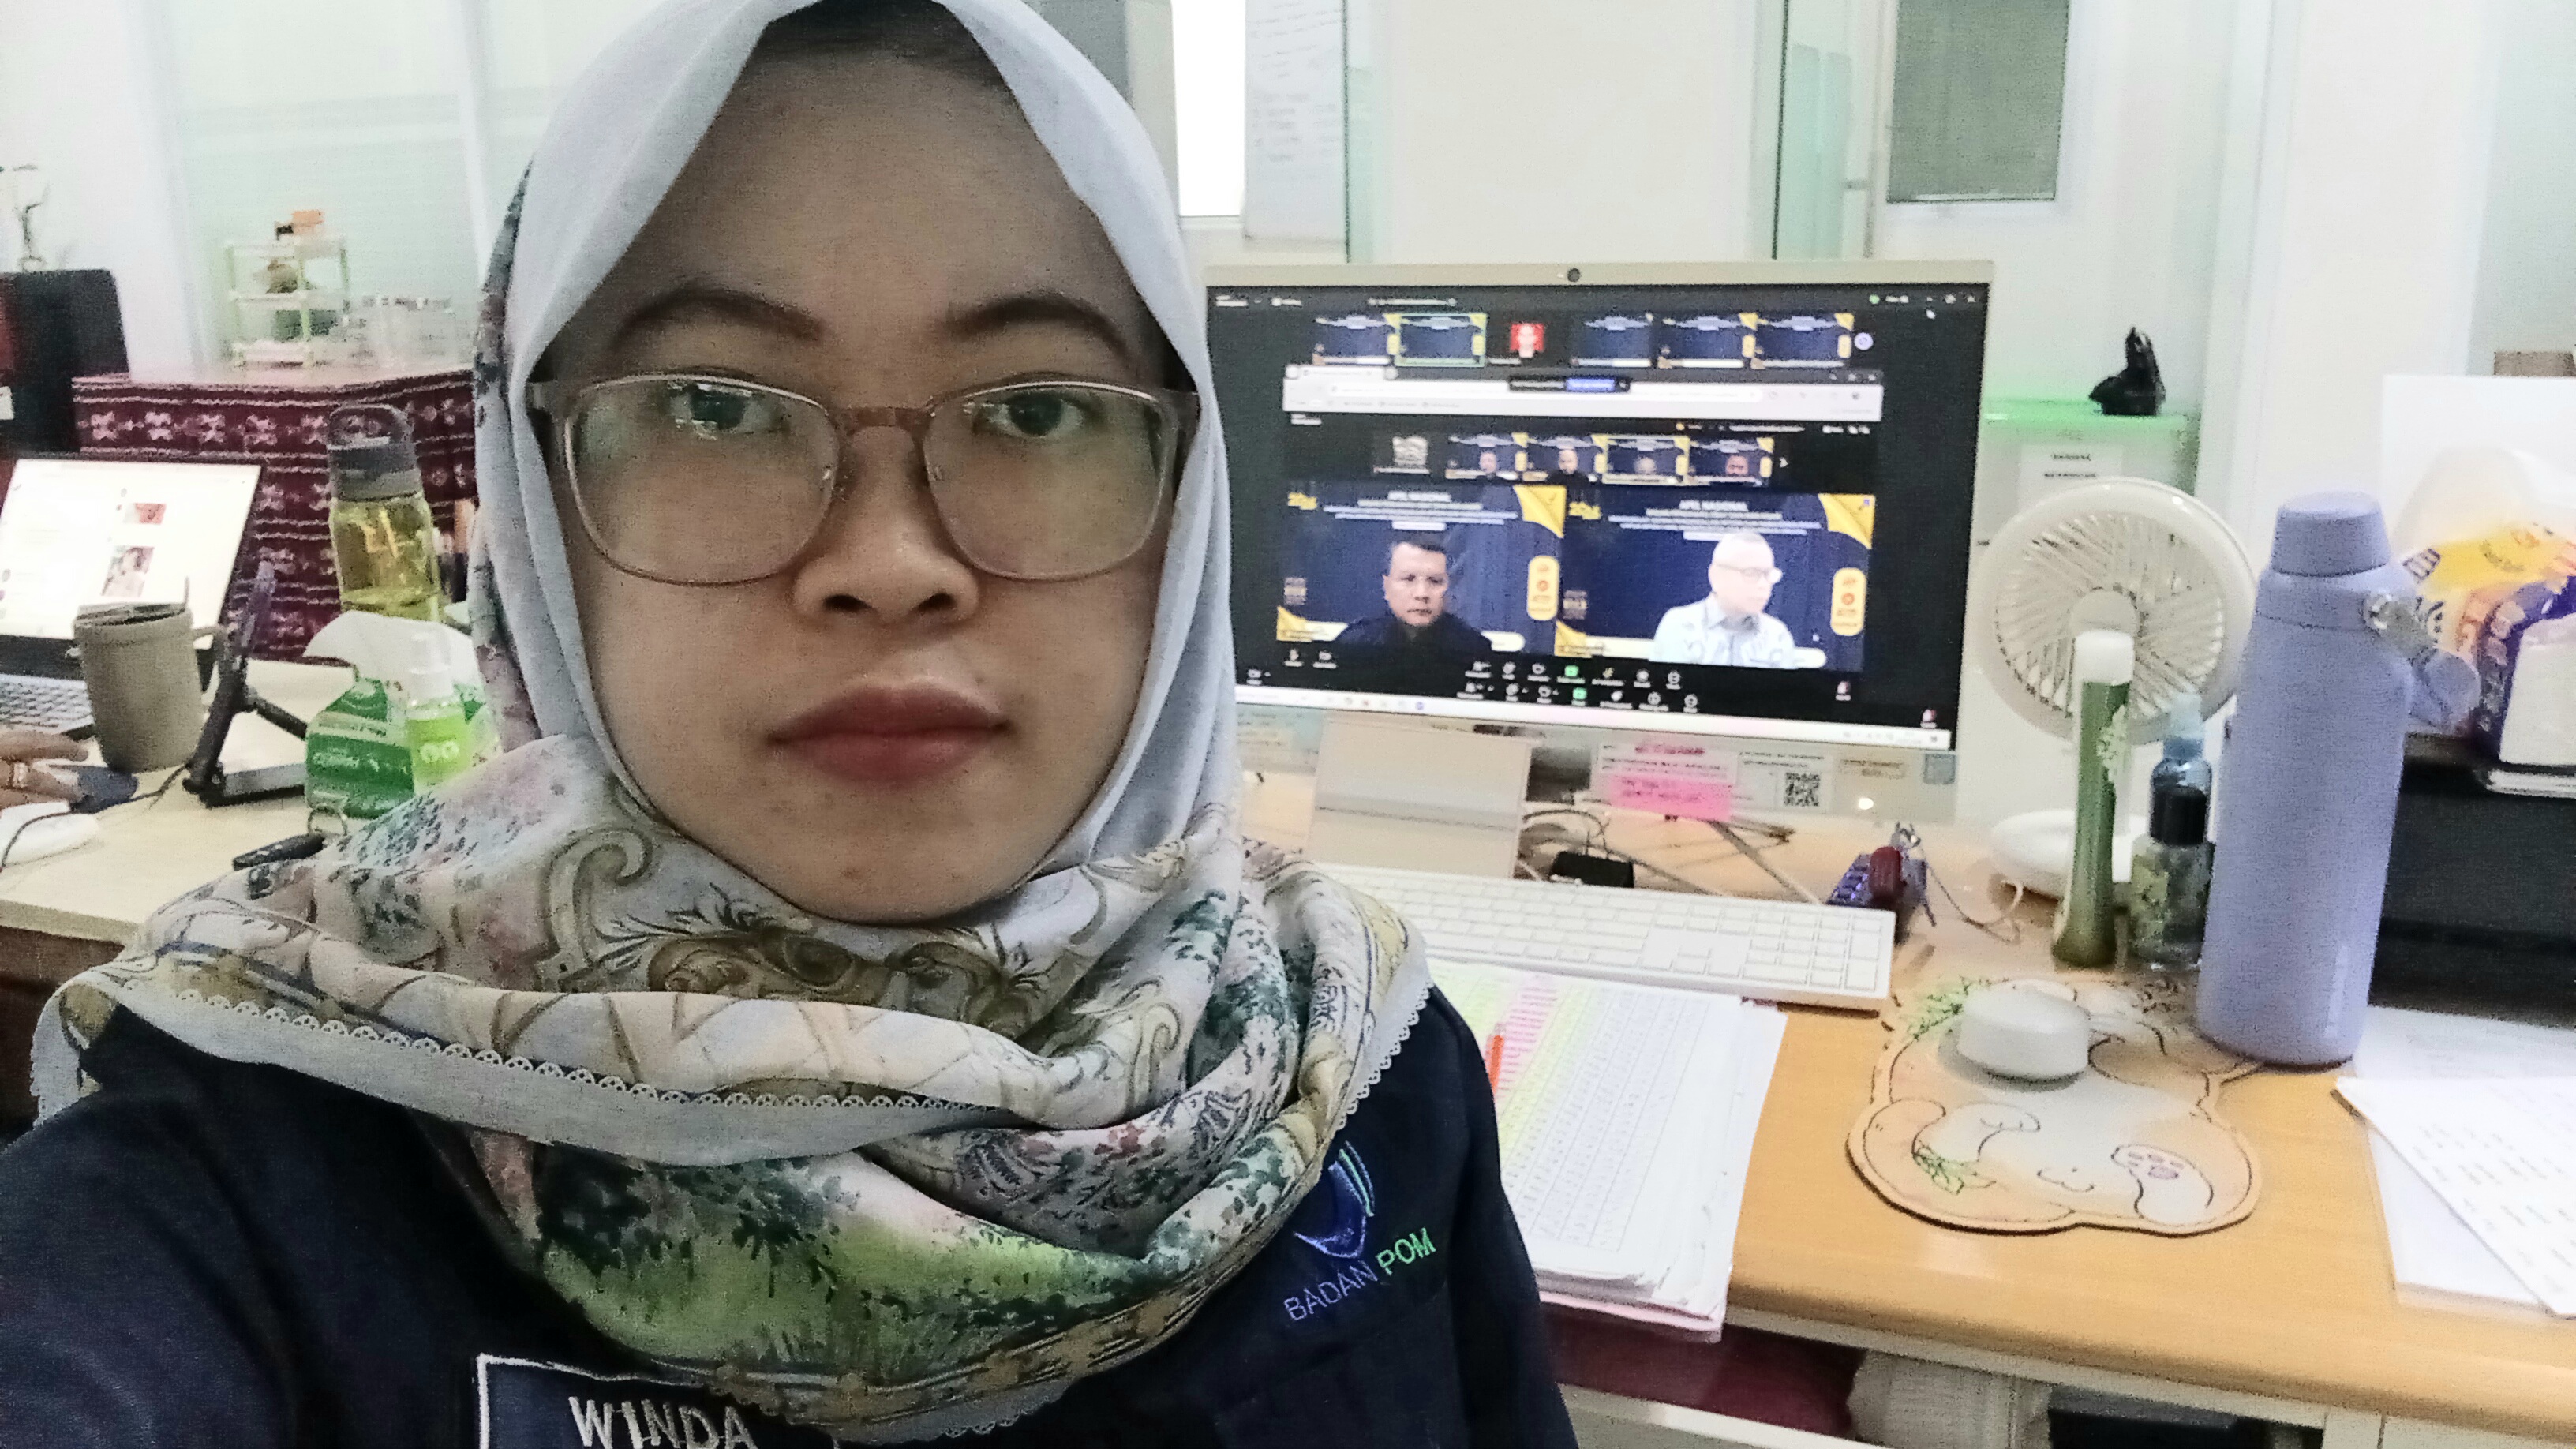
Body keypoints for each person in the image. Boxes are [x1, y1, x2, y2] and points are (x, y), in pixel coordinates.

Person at [0, 4, 1573, 1445]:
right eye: (715, 405)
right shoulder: (269, 1137)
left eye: (1036, 408)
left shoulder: (1341, 1056)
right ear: (533, 497)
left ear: (1187, 495)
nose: (885, 563)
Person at [1649, 531, 1799, 668]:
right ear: (1717, 576)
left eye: (1769, 574)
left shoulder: (1777, 635)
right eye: (1751, 574)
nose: (1764, 585)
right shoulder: (1679, 625)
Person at [1335, 537, 1491, 660]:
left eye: (1435, 581)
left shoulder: (1476, 649)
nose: (1421, 594)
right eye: (1408, 579)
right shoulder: (1353, 644)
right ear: (1387, 586)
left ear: (1449, 588)